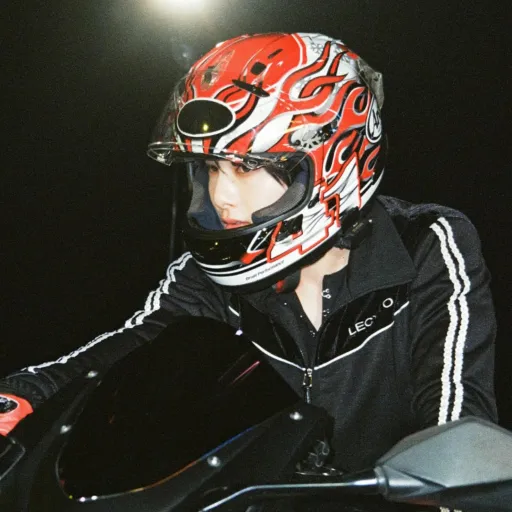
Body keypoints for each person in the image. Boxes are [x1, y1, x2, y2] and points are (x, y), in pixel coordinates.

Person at [0, 33, 497, 472]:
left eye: (245, 167)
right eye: (212, 169)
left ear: (332, 161)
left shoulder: (427, 243)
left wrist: (447, 480)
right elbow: (135, 343)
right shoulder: (211, 274)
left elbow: (455, 404)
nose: (221, 196)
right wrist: (24, 395)